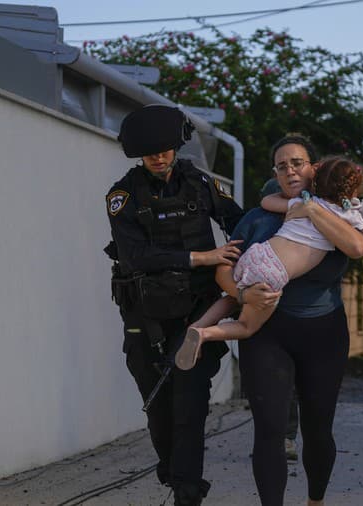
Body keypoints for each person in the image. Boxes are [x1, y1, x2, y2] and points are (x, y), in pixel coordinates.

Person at [104, 104, 244, 506]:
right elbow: (135, 258)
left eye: (166, 149)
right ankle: (173, 470)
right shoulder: (123, 196)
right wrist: (203, 258)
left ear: (176, 146)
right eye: (151, 152)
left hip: (195, 313)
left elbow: (238, 222)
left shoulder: (200, 183)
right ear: (139, 155)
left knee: (190, 404)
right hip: (144, 316)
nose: (160, 157)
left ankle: (187, 490)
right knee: (158, 406)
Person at [220, 134, 363, 506]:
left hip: (324, 332)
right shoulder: (257, 219)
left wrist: (314, 210)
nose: (290, 170)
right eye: (282, 165)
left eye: (297, 162)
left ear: (313, 167)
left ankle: (315, 501)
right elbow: (223, 270)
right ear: (276, 173)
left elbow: (361, 247)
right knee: (269, 431)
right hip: (268, 333)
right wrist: (240, 294)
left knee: (318, 431)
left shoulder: (338, 212)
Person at [173, 155, 363, 370]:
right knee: (247, 326)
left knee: (233, 297)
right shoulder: (347, 215)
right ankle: (205, 334)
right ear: (352, 192)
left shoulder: (304, 203)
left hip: (258, 254)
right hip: (274, 273)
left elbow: (266, 201)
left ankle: (198, 324)